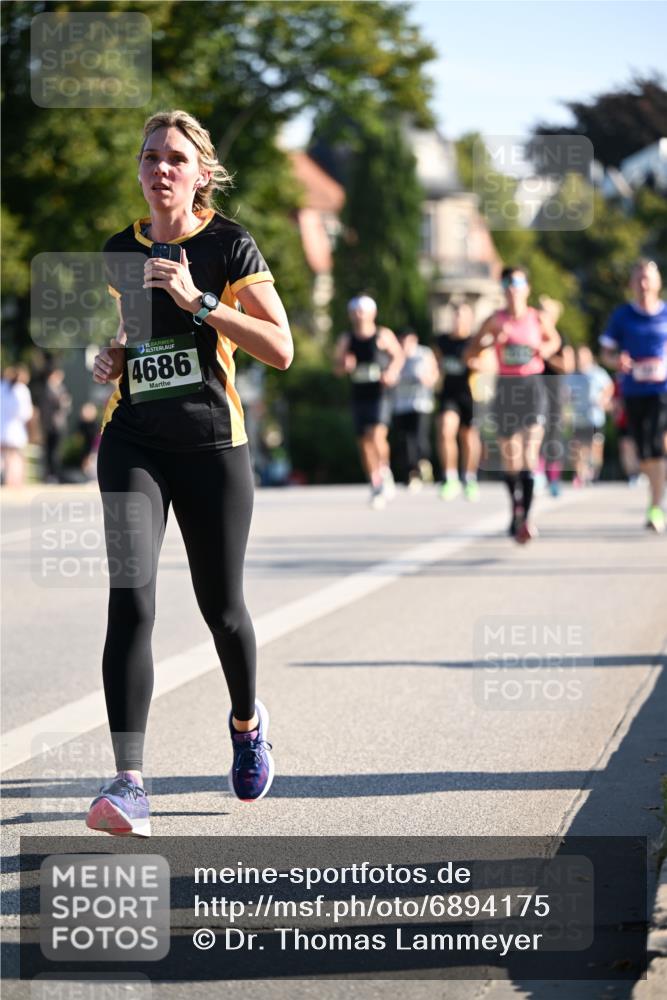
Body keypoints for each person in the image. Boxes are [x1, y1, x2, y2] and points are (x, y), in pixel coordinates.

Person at [86, 109, 293, 837]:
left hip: (211, 446)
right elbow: (132, 343)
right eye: (149, 158)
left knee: (222, 609)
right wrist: (108, 358)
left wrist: (199, 302)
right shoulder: (120, 250)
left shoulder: (229, 244)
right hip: (133, 438)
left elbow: (280, 346)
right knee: (130, 602)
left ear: (200, 172)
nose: (160, 168)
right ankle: (128, 782)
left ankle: (245, 722)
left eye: (175, 157)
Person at [465, 267, 561, 543]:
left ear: (526, 288)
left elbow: (553, 340)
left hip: (532, 387)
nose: (512, 287)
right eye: (507, 282)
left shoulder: (537, 318)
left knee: (530, 455)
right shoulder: (494, 320)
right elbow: (470, 351)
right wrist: (490, 341)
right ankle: (515, 508)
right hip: (506, 389)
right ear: (502, 288)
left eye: (517, 282)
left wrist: (544, 349)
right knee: (511, 459)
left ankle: (526, 519)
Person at [600, 259, 667, 533]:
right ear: (631, 284)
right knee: (643, 452)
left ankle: (655, 506)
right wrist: (618, 361)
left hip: (662, 391)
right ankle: (656, 495)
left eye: (648, 278)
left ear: (658, 282)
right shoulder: (622, 315)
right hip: (633, 391)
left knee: (656, 443)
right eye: (638, 278)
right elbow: (606, 353)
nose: (643, 284)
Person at [334, 295, 403, 509]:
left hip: (379, 392)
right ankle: (375, 482)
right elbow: (336, 368)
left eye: (363, 310)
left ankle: (385, 470)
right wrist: (344, 366)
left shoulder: (383, 335)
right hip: (359, 392)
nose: (359, 314)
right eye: (355, 310)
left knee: (377, 433)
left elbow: (398, 356)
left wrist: (392, 371)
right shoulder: (347, 339)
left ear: (372, 313)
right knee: (364, 441)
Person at [434, 301, 482, 501]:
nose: (458, 320)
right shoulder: (441, 341)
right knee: (446, 430)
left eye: (462, 316)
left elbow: (490, 364)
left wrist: (477, 364)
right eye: (455, 315)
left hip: (471, 394)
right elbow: (435, 366)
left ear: (470, 319)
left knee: (468, 437)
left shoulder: (475, 342)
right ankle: (450, 477)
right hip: (449, 394)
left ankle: (469, 477)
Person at [535, 296, 574, 497]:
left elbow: (568, 366)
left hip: (555, 391)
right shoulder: (532, 335)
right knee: (535, 431)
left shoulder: (561, 337)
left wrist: (545, 354)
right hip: (534, 389)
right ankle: (537, 474)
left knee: (554, 435)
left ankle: (554, 477)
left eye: (546, 312)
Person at [391, 329, 438, 490]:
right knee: (404, 441)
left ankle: (423, 463)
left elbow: (434, 374)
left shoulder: (423, 354)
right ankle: (411, 474)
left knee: (419, 439)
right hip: (400, 405)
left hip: (420, 403)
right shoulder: (396, 356)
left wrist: (427, 379)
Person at [565, 345, 613, 487]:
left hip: (595, 417)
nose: (580, 359)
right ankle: (580, 475)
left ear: (590, 357)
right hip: (578, 417)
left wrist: (603, 399)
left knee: (595, 446)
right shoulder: (571, 376)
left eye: (583, 356)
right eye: (578, 356)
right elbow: (565, 394)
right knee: (578, 447)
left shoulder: (598, 373)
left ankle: (593, 472)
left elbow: (609, 387)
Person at [0, 364, 34, 487]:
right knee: (15, 456)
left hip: (3, 427)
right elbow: (26, 413)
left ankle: (6, 479)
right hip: (15, 428)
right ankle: (13, 481)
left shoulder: (2, 387)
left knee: (5, 456)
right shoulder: (21, 390)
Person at [39, 366, 72, 483]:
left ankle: (55, 475)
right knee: (49, 451)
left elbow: (65, 405)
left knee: (55, 451)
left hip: (58, 425)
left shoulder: (61, 389)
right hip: (49, 425)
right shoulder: (48, 388)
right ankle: (49, 475)